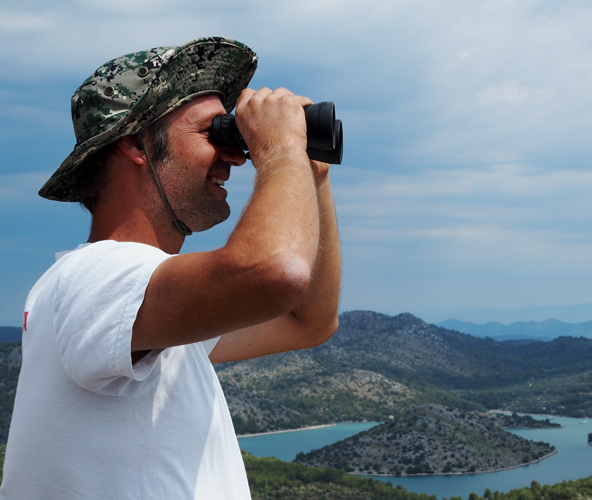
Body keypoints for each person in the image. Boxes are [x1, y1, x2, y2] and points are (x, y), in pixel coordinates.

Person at [0, 36, 341, 499]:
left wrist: (310, 172)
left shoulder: (135, 307)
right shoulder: (98, 278)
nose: (236, 156)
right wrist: (279, 149)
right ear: (137, 144)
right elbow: (276, 271)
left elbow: (308, 322)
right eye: (213, 133)